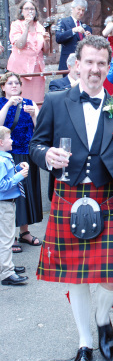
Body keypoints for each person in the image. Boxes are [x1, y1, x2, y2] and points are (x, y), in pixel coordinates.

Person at [29, 35, 113, 361]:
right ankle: (85, 343)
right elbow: (36, 144)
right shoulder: (54, 102)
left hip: (109, 199)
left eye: (101, 63)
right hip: (69, 197)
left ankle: (101, 318)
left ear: (107, 67)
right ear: (76, 64)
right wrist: (45, 156)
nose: (94, 69)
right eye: (89, 62)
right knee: (77, 278)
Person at [0, 72, 42, 250]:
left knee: (28, 195)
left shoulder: (29, 103)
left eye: (16, 83)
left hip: (27, 153)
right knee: (13, 194)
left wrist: (34, 115)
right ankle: (10, 236)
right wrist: (9, 103)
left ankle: (24, 232)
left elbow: (40, 127)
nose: (14, 86)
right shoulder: (2, 103)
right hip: (9, 154)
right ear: (3, 87)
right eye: (10, 83)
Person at [0, 126, 29, 286]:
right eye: (9, 138)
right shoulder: (2, 160)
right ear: (1, 142)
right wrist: (19, 176)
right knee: (6, 238)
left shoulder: (5, 158)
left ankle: (7, 266)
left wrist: (17, 168)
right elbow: (2, 185)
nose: (12, 140)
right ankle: (7, 273)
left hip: (6, 204)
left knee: (5, 237)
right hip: (4, 205)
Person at [7, 0, 50, 103]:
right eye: (26, 8)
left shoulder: (39, 26)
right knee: (22, 99)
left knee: (37, 100)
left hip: (37, 70)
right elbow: (19, 45)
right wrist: (26, 28)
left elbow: (46, 51)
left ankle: (35, 118)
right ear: (21, 11)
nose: (29, 11)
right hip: (21, 69)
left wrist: (47, 41)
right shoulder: (16, 24)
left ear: (35, 12)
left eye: (32, 9)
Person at [56, 0, 92, 71]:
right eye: (79, 9)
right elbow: (58, 38)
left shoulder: (87, 28)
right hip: (67, 64)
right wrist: (73, 30)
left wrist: (90, 39)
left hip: (83, 64)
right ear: (72, 8)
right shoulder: (63, 22)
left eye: (83, 10)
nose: (81, 12)